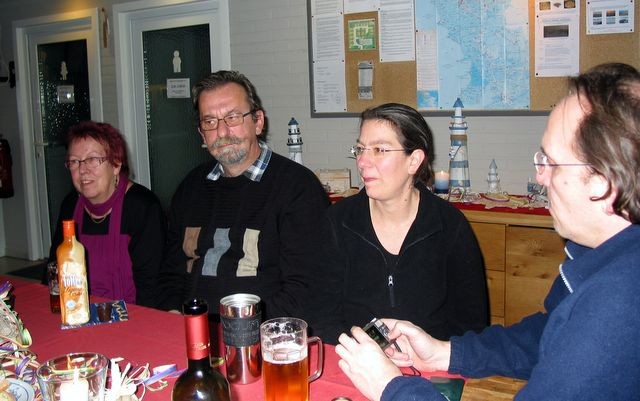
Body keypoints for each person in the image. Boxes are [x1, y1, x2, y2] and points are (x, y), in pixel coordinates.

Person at [334, 63, 640, 400]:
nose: (539, 177)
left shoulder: (617, 303)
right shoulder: (596, 260)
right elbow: (545, 335)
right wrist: (445, 352)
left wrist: (391, 387)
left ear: (602, 180)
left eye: (550, 162)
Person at [309, 103, 488, 344]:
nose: (362, 162)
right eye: (360, 149)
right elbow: (322, 317)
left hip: (431, 361)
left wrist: (432, 355)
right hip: (357, 358)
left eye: (379, 150)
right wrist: (363, 351)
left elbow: (471, 326)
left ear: (414, 161)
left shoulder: (448, 225)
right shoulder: (338, 222)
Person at [156, 70, 329, 319]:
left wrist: (241, 331)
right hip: (190, 328)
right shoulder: (190, 188)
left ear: (258, 122)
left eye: (233, 117)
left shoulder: (297, 188)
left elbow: (305, 289)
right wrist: (173, 315)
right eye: (210, 122)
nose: (222, 132)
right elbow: (170, 274)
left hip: (261, 333)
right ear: (201, 133)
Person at [49, 121, 166, 307]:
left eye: (93, 159)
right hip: (77, 311)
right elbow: (54, 268)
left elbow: (151, 287)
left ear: (116, 164)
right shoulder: (70, 205)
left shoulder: (142, 207)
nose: (82, 170)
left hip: (131, 314)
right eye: (74, 161)